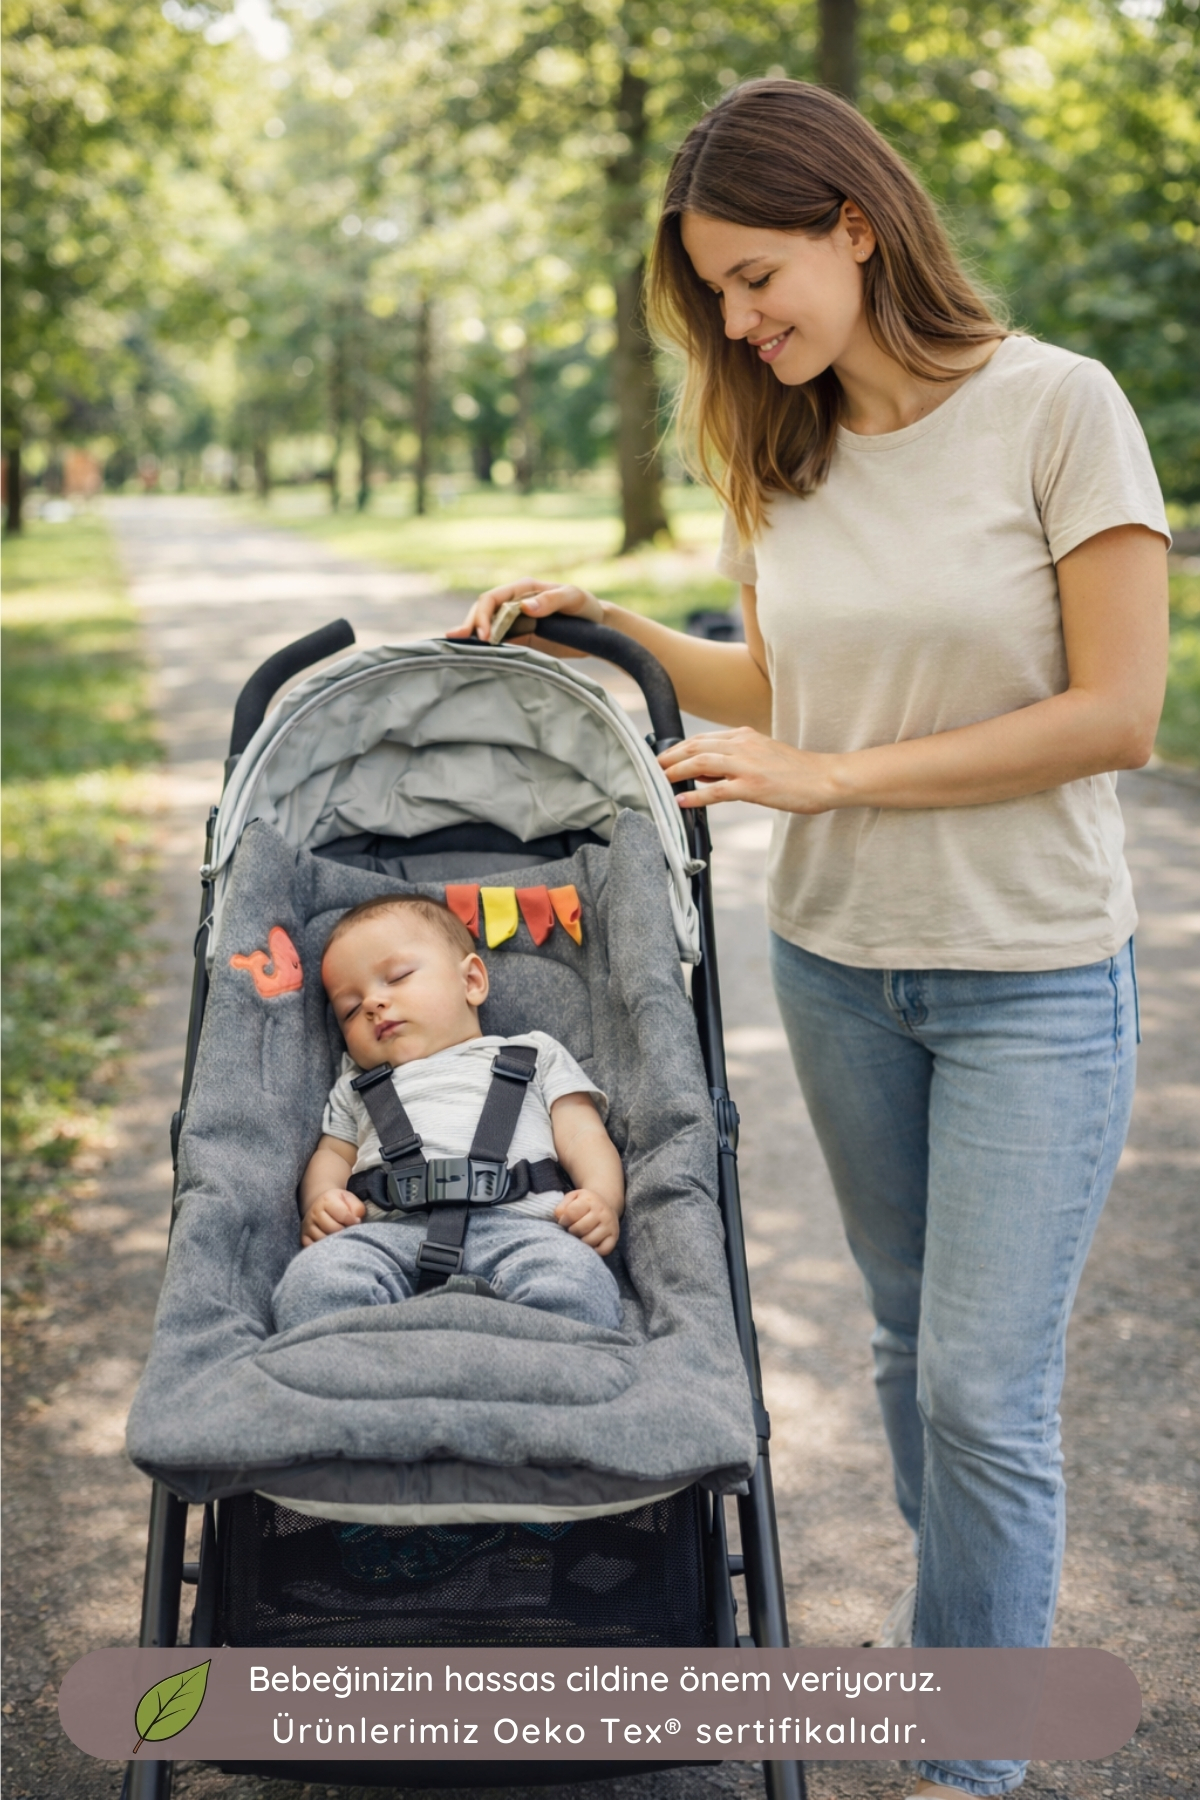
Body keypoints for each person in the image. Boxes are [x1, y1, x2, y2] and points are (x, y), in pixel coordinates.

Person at [452, 79, 1170, 1800]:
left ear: (858, 225)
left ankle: (972, 1750)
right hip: (841, 966)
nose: (739, 317)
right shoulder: (778, 448)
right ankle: (959, 1658)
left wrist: (826, 777)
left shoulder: (1056, 410)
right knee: (914, 1354)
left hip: (1034, 975)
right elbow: (785, 688)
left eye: (757, 274)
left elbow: (1120, 713)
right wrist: (611, 628)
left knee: (986, 1394)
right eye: (712, 293)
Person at [271, 894, 624, 1335]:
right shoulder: (357, 1086)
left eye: (397, 977)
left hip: (522, 1229)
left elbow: (583, 1137)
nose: (372, 1004)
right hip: (388, 1235)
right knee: (313, 1283)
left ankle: (530, 1375)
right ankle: (366, 1376)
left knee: (576, 1284)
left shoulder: (533, 1054)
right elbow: (333, 1156)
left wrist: (602, 1199)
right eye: (349, 1008)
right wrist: (321, 1201)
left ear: (472, 981)